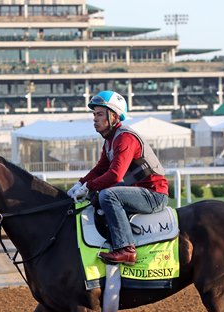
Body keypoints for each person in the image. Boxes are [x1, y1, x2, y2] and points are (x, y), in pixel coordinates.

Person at [67, 90, 169, 266]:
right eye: (94, 114)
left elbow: (115, 175)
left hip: (154, 195)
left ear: (113, 116)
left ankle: (126, 250)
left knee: (108, 195)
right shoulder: (110, 140)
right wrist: (80, 183)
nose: (95, 119)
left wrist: (89, 187)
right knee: (97, 198)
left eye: (99, 114)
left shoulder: (125, 138)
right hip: (139, 192)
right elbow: (101, 168)